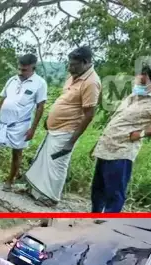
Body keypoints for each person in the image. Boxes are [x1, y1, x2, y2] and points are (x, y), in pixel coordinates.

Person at [90, 59, 151, 213]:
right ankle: (93, 220)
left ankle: (106, 227)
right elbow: (115, 121)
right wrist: (97, 144)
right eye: (140, 79)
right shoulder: (133, 97)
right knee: (97, 191)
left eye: (144, 81)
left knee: (114, 194)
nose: (140, 83)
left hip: (121, 152)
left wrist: (143, 134)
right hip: (105, 149)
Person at [24, 46, 101, 206]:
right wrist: (50, 118)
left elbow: (89, 114)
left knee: (56, 164)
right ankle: (35, 190)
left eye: (74, 65)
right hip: (55, 128)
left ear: (86, 62)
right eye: (69, 64)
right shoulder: (74, 76)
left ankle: (50, 198)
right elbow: (66, 99)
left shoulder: (91, 82)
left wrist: (71, 141)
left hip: (67, 131)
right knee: (43, 159)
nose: (70, 67)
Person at [0, 54, 47, 189]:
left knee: (17, 152)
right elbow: (2, 100)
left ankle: (10, 181)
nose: (20, 72)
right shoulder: (12, 80)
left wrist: (32, 129)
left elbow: (40, 107)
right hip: (2, 121)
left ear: (33, 68)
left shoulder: (40, 83)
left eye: (24, 70)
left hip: (21, 124)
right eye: (19, 69)